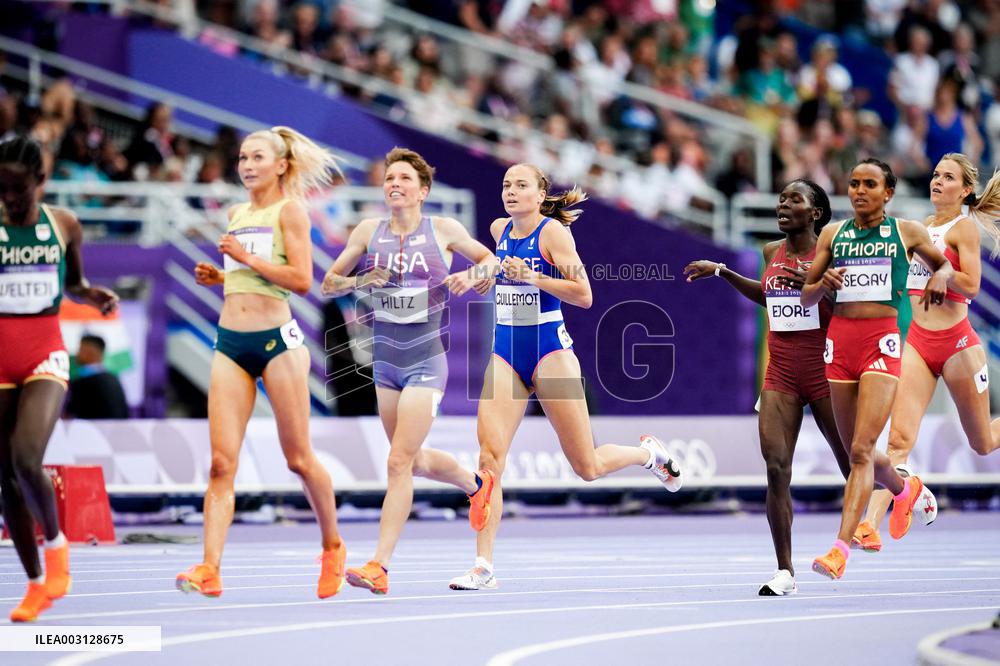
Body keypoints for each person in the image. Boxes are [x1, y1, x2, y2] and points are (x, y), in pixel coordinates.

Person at [449, 163, 682, 591]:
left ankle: (648, 455)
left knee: (587, 466)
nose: (511, 191)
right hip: (506, 354)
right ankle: (483, 565)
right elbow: (498, 266)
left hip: (550, 354)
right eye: (506, 185)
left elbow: (586, 295)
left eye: (521, 185)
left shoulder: (554, 234)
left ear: (540, 195)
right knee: (489, 461)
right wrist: (479, 276)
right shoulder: (500, 229)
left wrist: (534, 276)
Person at [176, 126, 346, 599]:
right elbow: (247, 275)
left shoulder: (290, 210)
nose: (247, 166)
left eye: (257, 158)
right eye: (242, 158)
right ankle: (210, 567)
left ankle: (332, 546)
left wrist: (245, 259)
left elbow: (301, 280)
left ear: (281, 165)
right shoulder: (235, 212)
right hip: (229, 342)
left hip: (278, 344)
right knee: (219, 463)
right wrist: (223, 276)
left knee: (298, 459)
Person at [320, 147, 497, 595]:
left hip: (424, 359)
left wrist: (471, 277)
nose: (393, 184)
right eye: (388, 179)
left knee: (398, 461)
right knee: (413, 459)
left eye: (403, 179)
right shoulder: (367, 231)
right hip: (385, 361)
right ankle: (475, 485)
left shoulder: (444, 230)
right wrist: (362, 281)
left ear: (423, 190)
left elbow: (491, 262)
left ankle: (379, 565)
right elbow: (327, 283)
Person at [684, 180, 851, 596]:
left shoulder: (831, 251)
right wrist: (723, 272)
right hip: (782, 375)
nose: (783, 203)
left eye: (795, 199)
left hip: (825, 368)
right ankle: (785, 572)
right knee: (776, 469)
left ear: (815, 213)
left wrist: (814, 288)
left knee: (854, 464)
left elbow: (846, 306)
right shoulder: (770, 252)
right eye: (781, 198)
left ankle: (899, 494)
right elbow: (768, 295)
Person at [801, 158, 951, 580]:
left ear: (887, 193)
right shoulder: (833, 234)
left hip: (882, 344)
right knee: (857, 454)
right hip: (840, 344)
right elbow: (808, 298)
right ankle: (905, 490)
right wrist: (822, 283)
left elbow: (944, 264)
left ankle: (839, 550)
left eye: (870, 184)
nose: (859, 190)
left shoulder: (907, 232)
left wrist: (940, 276)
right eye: (853, 183)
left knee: (863, 451)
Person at [0, 135, 119, 621]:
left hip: (44, 353)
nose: (9, 197)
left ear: (40, 182)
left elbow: (70, 283)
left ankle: (58, 551)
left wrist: (91, 295)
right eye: (2, 188)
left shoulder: (63, 224)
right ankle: (32, 585)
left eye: (19, 188)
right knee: (4, 477)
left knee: (27, 458)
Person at [857, 154, 1000, 550]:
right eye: (936, 175)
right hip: (918, 342)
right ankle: (870, 523)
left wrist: (943, 272)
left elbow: (971, 285)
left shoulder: (964, 229)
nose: (937, 181)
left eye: (948, 177)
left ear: (965, 190)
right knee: (898, 440)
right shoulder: (920, 228)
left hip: (957, 344)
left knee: (983, 442)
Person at [66, 334, 128, 419]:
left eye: (81, 350)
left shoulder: (83, 382)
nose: (77, 354)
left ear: (92, 352)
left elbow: (69, 415)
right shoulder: (114, 378)